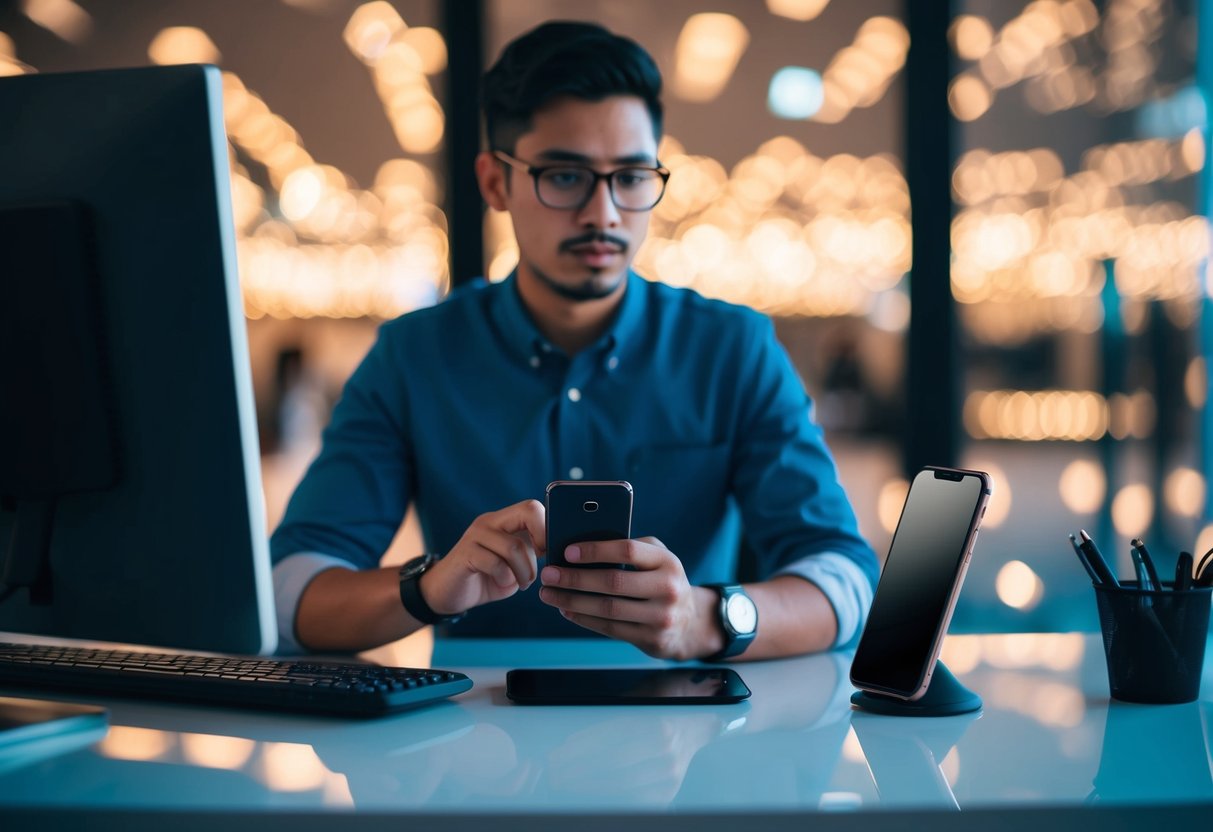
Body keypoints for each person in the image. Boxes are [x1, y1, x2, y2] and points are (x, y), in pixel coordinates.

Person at [271, 20, 878, 660]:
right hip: (477, 736)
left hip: (689, 740)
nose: (604, 213)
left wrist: (706, 617)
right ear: (495, 183)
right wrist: (429, 587)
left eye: (632, 176)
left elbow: (843, 580)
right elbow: (292, 593)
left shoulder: (732, 349)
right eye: (565, 176)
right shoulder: (414, 357)